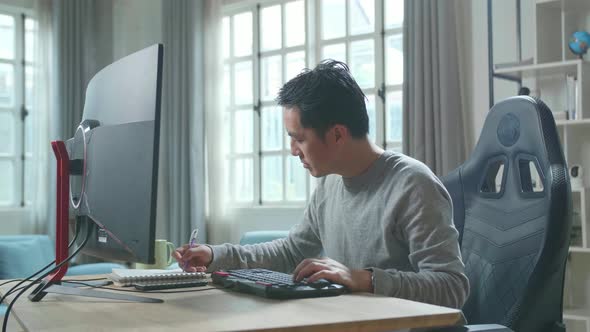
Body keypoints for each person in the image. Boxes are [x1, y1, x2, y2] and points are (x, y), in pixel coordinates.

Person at [173, 60, 469, 309]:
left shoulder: (412, 185)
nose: (292, 150)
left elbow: (452, 287)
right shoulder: (330, 184)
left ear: (338, 135)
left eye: (299, 138)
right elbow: (290, 252)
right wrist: (215, 255)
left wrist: (364, 278)